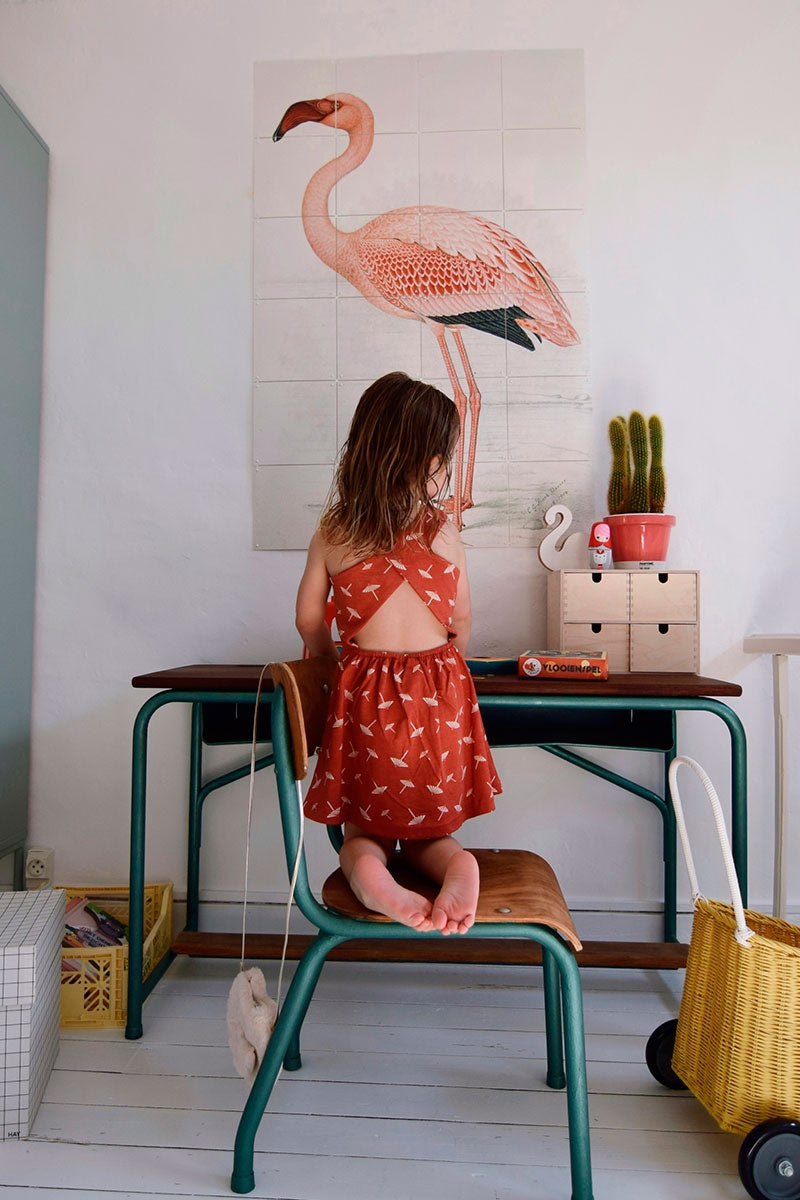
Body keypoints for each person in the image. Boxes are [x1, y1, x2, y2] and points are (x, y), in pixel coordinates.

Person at [295, 372, 501, 936]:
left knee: (366, 832)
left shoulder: (334, 530)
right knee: (433, 835)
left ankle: (372, 875)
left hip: (368, 699)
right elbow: (459, 621)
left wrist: (330, 666)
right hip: (440, 701)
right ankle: (458, 865)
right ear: (432, 462)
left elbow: (309, 619)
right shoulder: (444, 530)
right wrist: (442, 667)